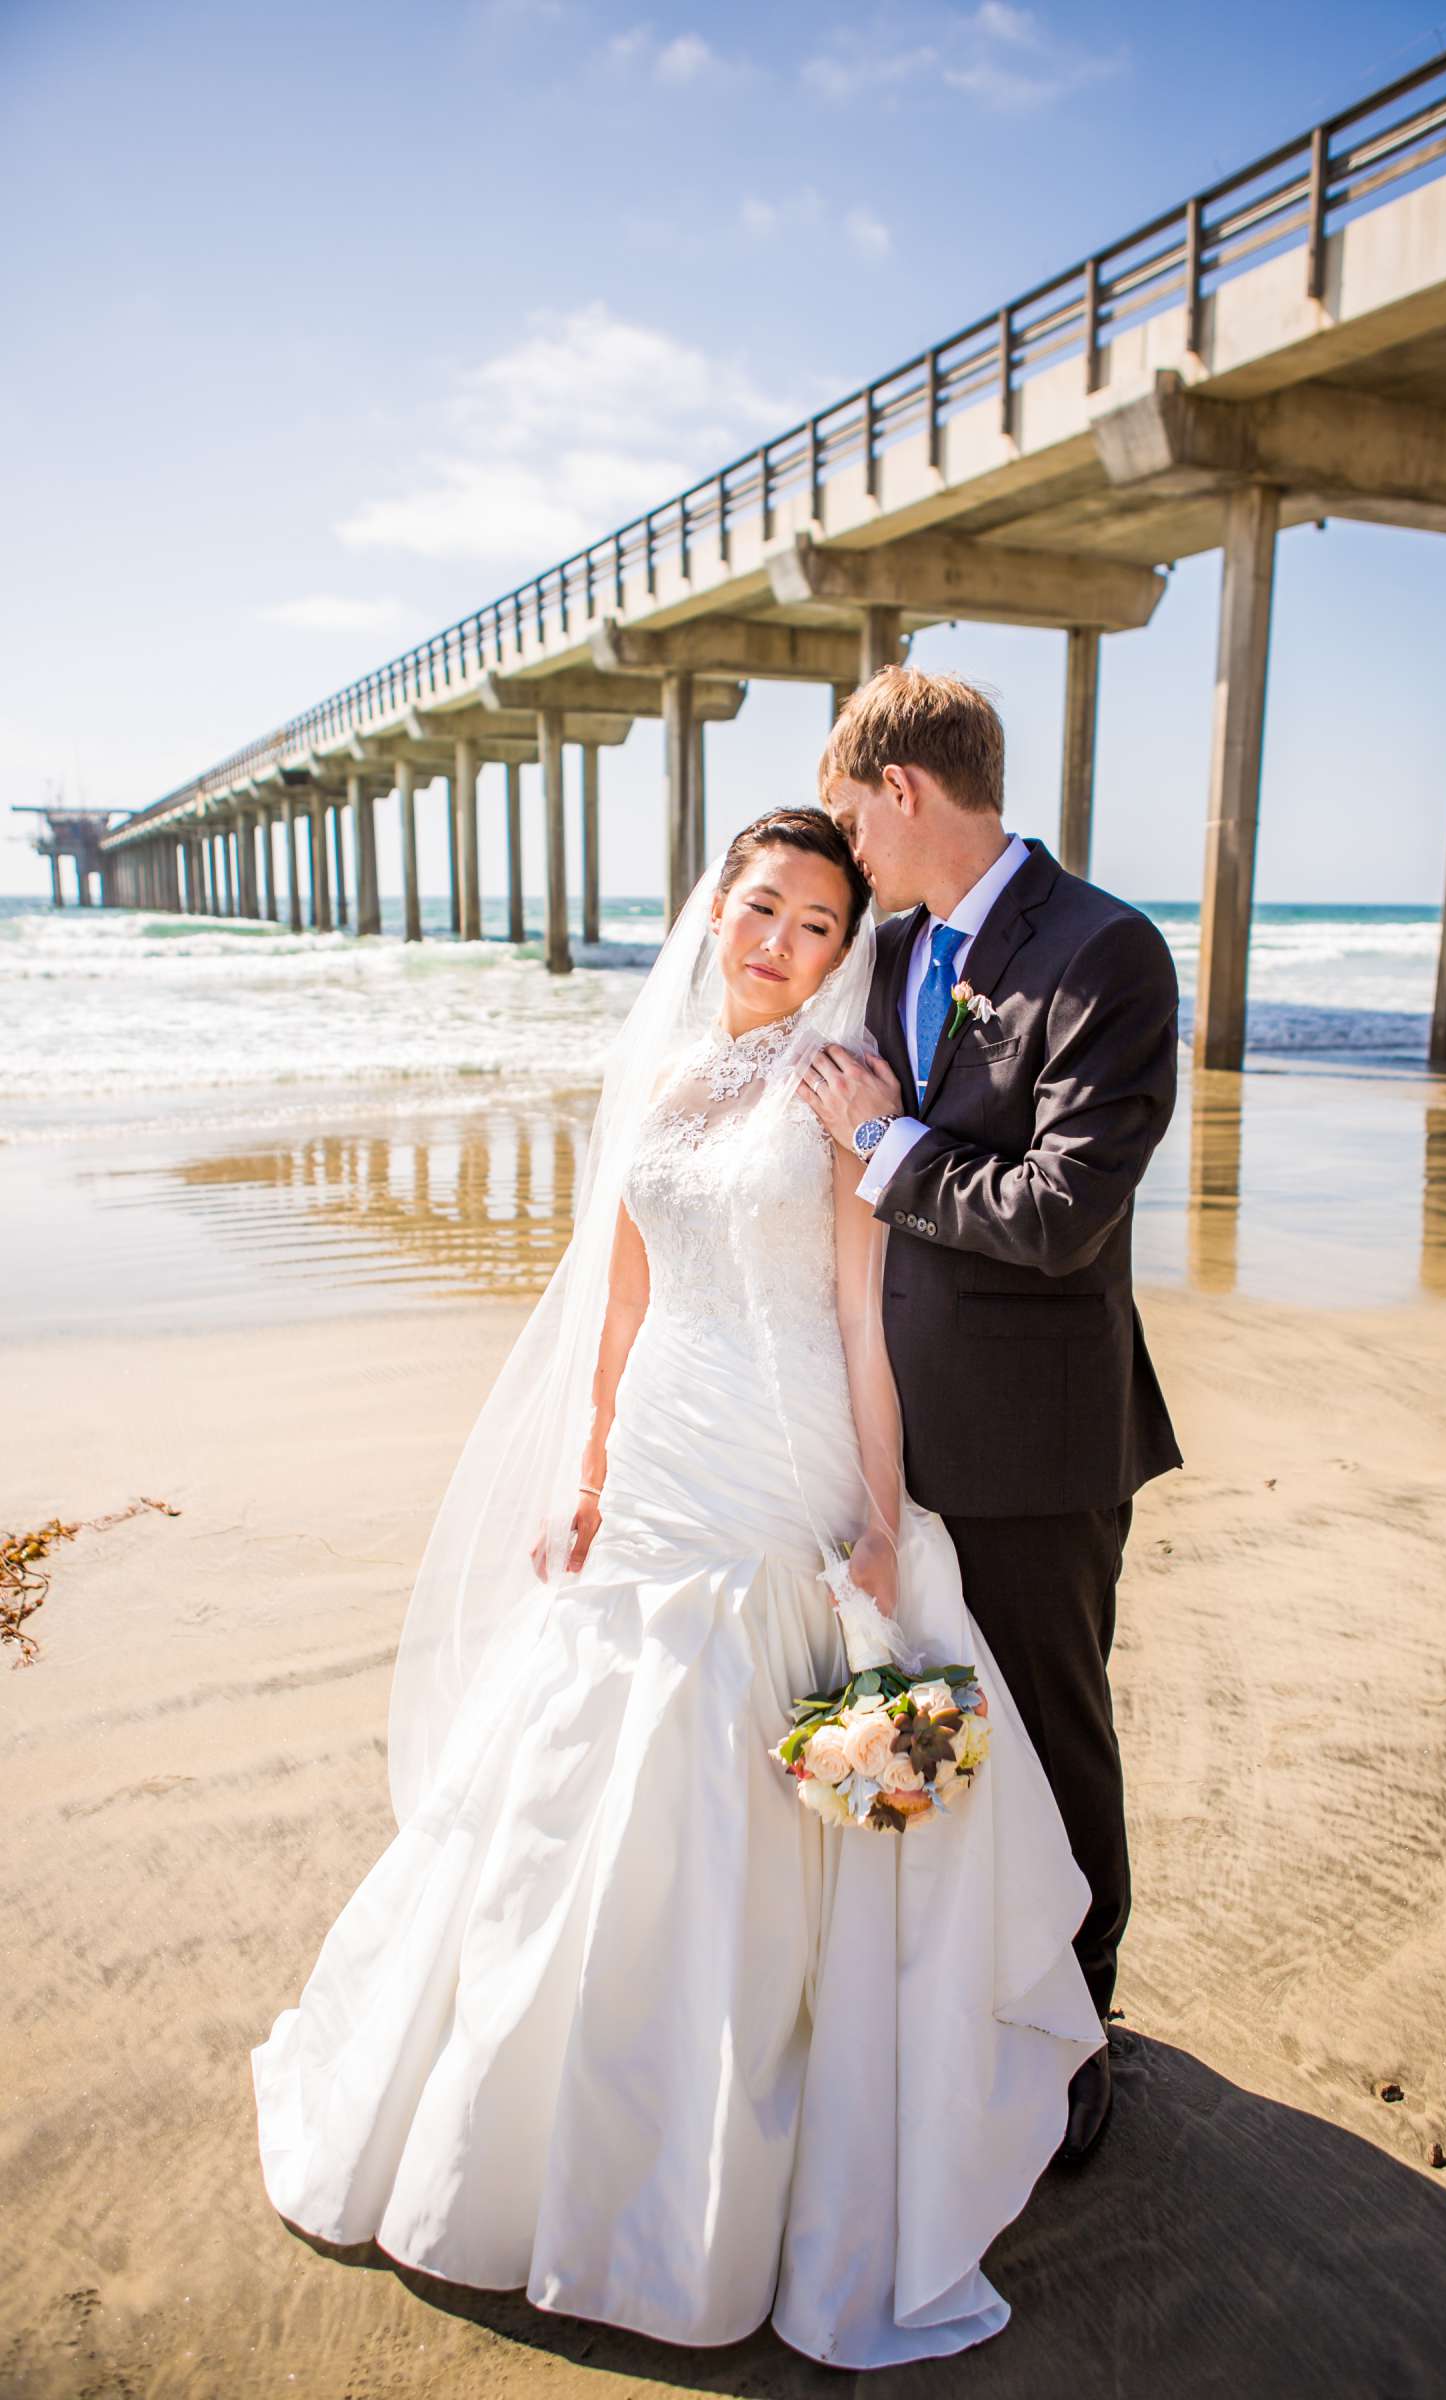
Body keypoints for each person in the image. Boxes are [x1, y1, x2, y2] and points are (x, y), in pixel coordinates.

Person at [251, 804, 1105, 2371]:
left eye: (821, 928)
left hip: (783, 1458)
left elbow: (861, 1314)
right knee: (574, 1778)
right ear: (717, 906)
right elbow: (622, 1304)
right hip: (658, 1462)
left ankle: (735, 2154)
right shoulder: (655, 1078)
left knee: (756, 1785)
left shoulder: (844, 1085)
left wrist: (880, 1512)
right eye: (765, 909)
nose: (784, 946)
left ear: (848, 953)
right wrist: (586, 1478)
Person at [801, 666, 1182, 2166]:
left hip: (1034, 1443)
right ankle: (941, 1998)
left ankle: (1077, 2036)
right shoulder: (881, 944)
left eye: (852, 814)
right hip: (880, 1429)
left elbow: (1061, 1213)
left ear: (904, 791)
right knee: (902, 1716)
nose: (847, 849)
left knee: (1049, 1734)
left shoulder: (1108, 955)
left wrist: (888, 1144)